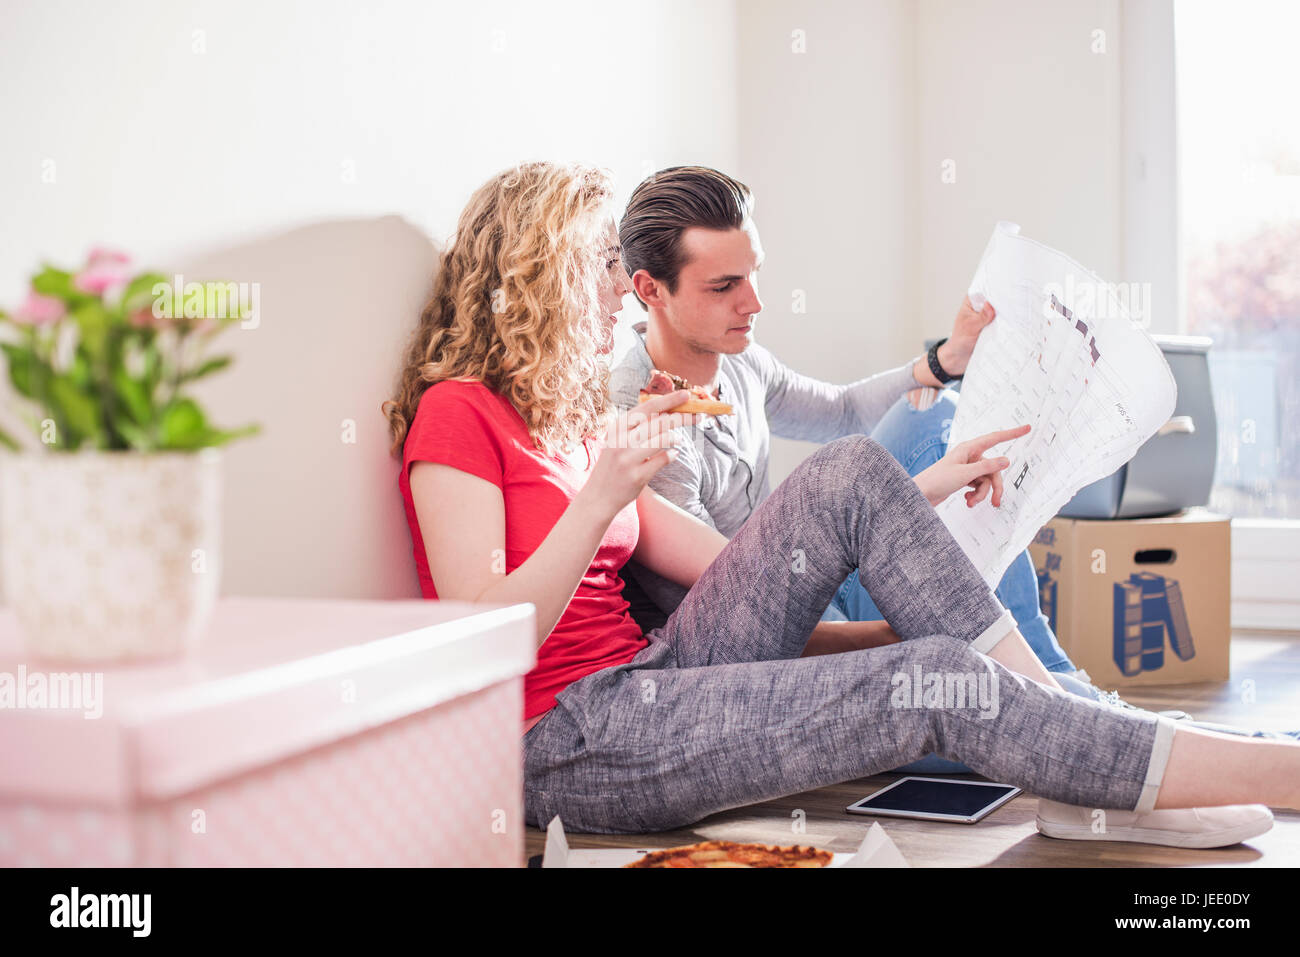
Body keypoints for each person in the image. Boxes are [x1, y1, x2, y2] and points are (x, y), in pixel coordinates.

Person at [383, 160, 1297, 845]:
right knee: (932, 684)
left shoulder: (578, 419)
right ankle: (1219, 766)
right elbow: (480, 638)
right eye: (597, 263)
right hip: (565, 735)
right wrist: (597, 500)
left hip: (653, 670)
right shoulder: (458, 412)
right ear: (536, 274)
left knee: (853, 473)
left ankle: (1079, 741)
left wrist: (908, 529)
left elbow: (735, 570)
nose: (619, 287)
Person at [608, 166, 1197, 777]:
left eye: (755, 273)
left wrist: (947, 360)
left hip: (811, 582)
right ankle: (1089, 716)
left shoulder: (738, 357)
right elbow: (732, 597)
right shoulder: (639, 417)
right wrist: (894, 627)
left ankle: (1059, 683)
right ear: (651, 290)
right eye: (725, 285)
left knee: (929, 417)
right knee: (986, 711)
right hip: (763, 634)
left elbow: (839, 410)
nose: (754, 302)